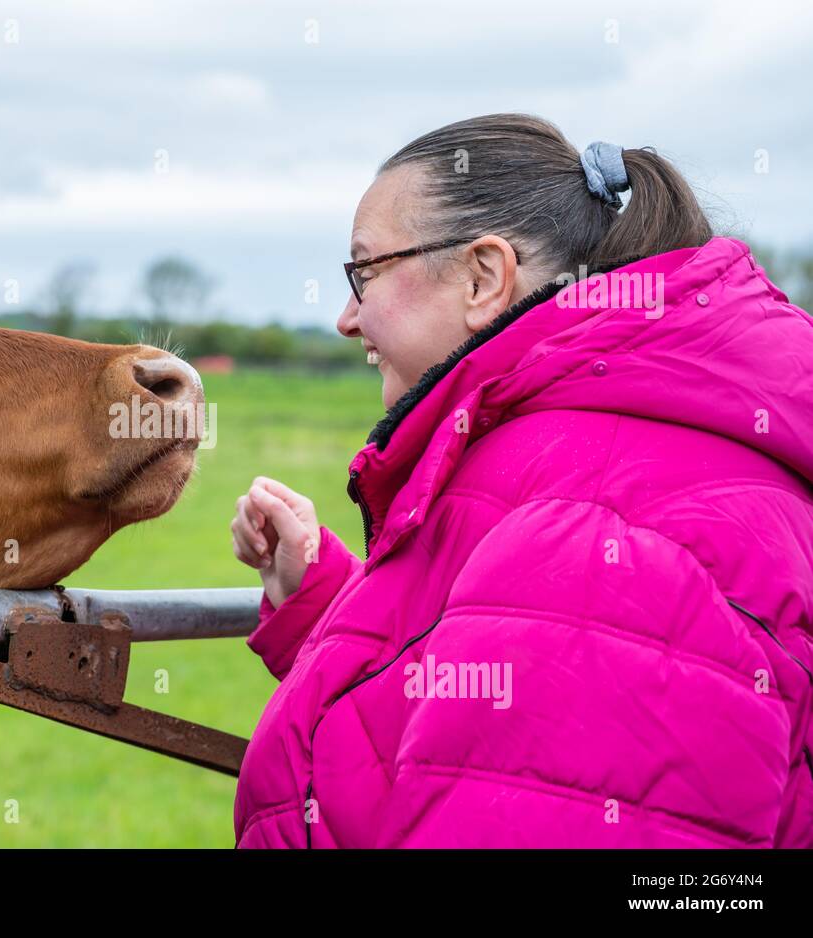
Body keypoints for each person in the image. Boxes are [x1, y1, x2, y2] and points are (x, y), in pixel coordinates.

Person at [230, 113, 813, 848]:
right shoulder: (607, 459)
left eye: (364, 270)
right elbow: (485, 714)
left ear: (484, 277)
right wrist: (319, 599)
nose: (347, 318)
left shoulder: (598, 534)